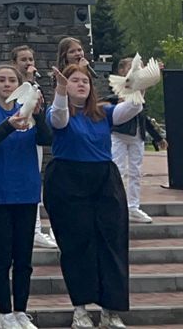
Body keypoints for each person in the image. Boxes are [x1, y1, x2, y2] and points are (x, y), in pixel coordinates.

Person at [45, 63, 142, 329]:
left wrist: (137, 85)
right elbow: (59, 119)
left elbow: (131, 109)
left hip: (103, 180)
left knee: (112, 243)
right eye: (75, 80)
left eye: (85, 81)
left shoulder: (103, 112)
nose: (81, 84)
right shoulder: (57, 110)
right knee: (77, 244)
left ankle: (110, 310)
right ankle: (81, 309)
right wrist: (61, 91)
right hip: (68, 180)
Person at [0, 64, 52, 329]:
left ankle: (21, 310)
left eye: (11, 80)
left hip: (26, 193)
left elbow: (47, 138)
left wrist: (39, 115)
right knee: (1, 258)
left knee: (23, 259)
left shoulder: (29, 110)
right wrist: (9, 124)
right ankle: (4, 313)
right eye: (1, 80)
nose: (6, 84)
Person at [109, 57, 166, 225]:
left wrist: (157, 137)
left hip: (137, 136)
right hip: (119, 134)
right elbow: (109, 104)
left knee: (135, 172)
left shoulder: (141, 93)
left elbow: (144, 117)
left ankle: (133, 206)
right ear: (122, 71)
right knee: (118, 170)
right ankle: (115, 206)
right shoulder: (118, 90)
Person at [11, 45, 57, 250]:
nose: (29, 63)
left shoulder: (36, 86)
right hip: (15, 137)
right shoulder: (13, 85)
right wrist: (28, 82)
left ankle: (36, 228)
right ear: (15, 63)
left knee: (34, 180)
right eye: (23, 60)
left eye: (31, 59)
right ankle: (31, 229)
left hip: (32, 138)